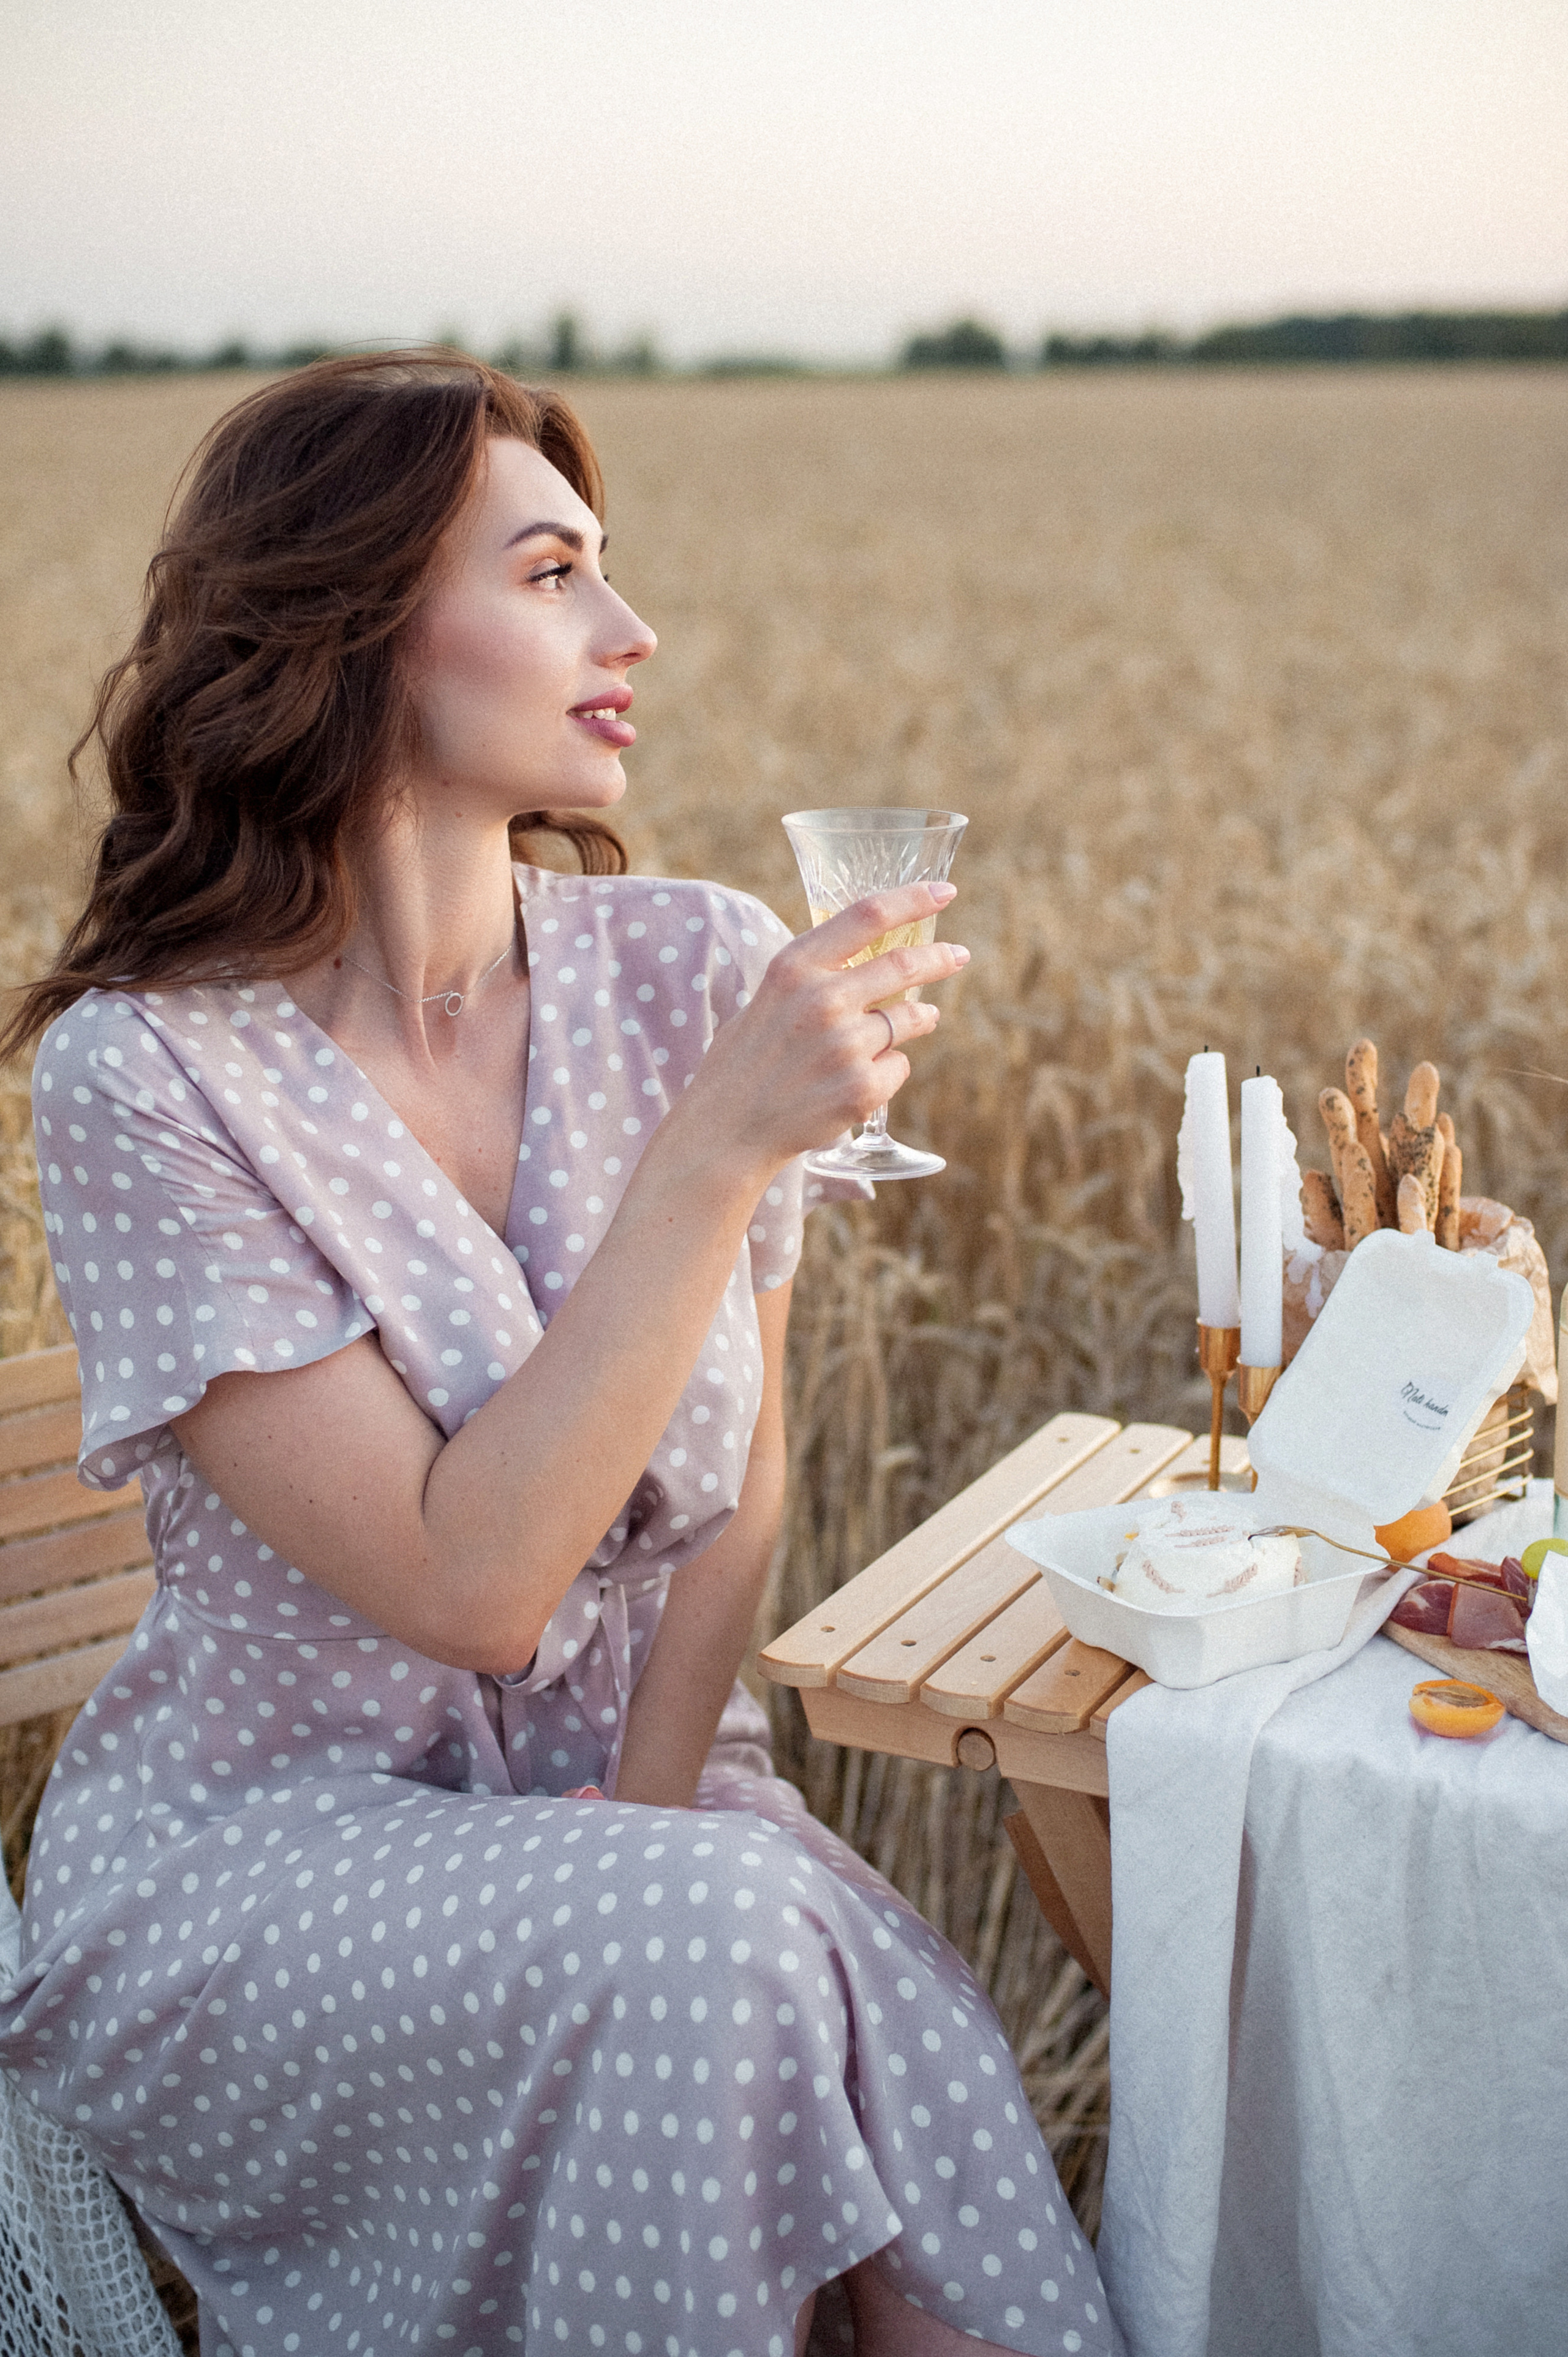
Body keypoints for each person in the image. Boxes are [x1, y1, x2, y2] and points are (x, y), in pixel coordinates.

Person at [0, 354, 1120, 2357]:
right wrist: (716, 1153)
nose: (632, 632)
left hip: (663, 1822)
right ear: (353, 631)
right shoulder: (149, 1077)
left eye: (610, 572)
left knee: (870, 2116)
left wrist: (657, 1810)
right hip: (268, 1875)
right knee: (730, 1972)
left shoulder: (687, 960)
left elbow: (741, 1479)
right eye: (551, 576)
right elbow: (476, 1586)